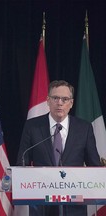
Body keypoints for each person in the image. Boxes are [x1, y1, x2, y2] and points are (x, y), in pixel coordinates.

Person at [16, 80, 101, 216]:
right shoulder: (32, 127)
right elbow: (22, 162)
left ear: (71, 103)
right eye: (55, 98)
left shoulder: (84, 128)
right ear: (48, 101)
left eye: (65, 99)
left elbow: (94, 165)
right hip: (42, 205)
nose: (60, 103)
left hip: (74, 205)